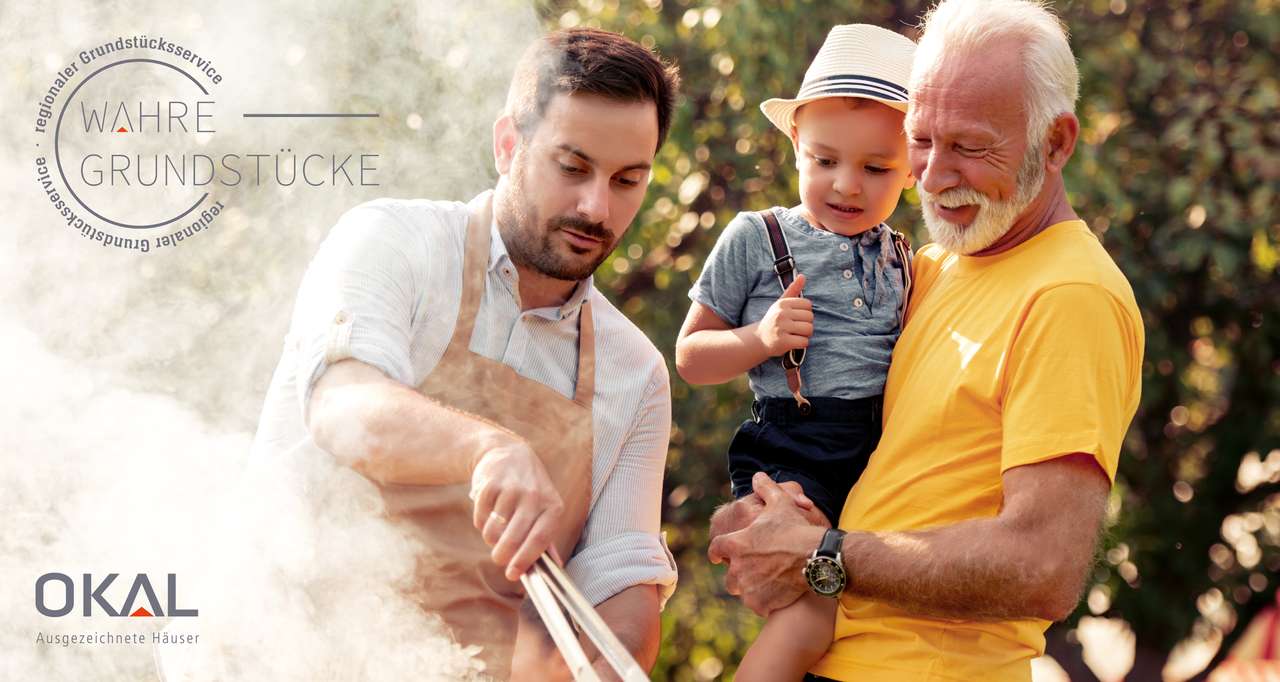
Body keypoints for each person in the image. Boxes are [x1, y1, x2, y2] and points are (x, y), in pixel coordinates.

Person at [707, 1, 1146, 681]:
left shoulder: (1069, 296)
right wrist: (764, 517)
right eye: (921, 139)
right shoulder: (927, 267)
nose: (935, 177)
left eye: (970, 147)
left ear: (1057, 143)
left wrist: (821, 554)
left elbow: (1043, 565)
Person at [250, 28, 680, 680]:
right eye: (573, 167)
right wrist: (488, 449)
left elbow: (622, 590)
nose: (598, 206)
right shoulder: (393, 241)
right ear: (509, 144)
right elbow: (343, 406)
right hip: (281, 647)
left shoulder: (637, 373)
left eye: (628, 180)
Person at [674, 24, 916, 681]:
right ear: (795, 148)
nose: (847, 185)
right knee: (812, 606)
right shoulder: (757, 237)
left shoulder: (902, 256)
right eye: (824, 160)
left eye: (876, 168)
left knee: (866, 593)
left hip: (871, 453)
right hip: (796, 444)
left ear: (913, 166)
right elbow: (691, 356)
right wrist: (761, 339)